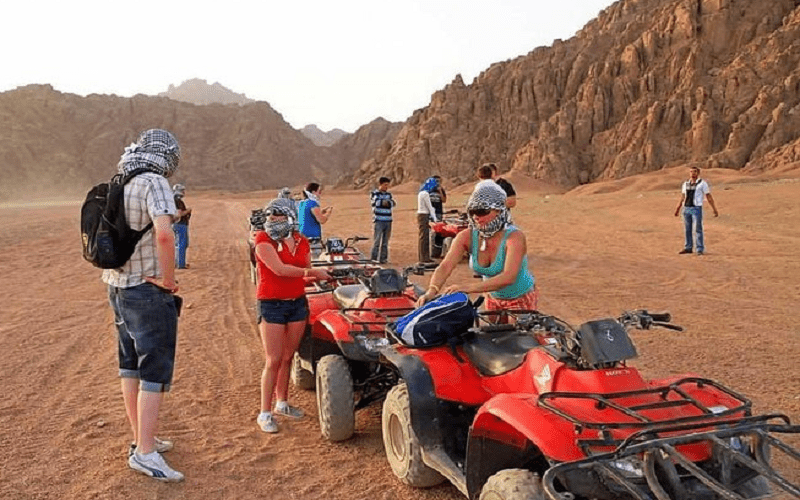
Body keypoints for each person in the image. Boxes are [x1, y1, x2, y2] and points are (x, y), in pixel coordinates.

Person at [103, 129, 184, 482]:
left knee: (129, 364)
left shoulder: (121, 178)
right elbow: (164, 234)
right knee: (153, 369)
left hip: (117, 286)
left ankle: (141, 440)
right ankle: (146, 454)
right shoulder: (154, 181)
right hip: (146, 290)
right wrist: (169, 281)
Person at [254, 198, 330, 433]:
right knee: (273, 358)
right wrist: (311, 272)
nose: (272, 221)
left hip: (297, 303)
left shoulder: (302, 240)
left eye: (277, 216)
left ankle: (282, 403)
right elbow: (279, 269)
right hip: (271, 304)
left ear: (289, 218)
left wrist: (323, 275)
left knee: (288, 356)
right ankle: (264, 412)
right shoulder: (262, 240)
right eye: (269, 216)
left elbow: (304, 275)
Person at [417, 183, 538, 317]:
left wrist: (466, 288)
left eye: (482, 211)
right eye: (472, 212)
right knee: (491, 336)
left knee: (516, 336)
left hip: (520, 297)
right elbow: (445, 266)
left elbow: (508, 277)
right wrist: (431, 291)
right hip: (492, 298)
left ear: (498, 210)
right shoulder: (466, 236)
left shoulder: (514, 237)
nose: (476, 217)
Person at [674, 166, 719, 255]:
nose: (692, 173)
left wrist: (714, 208)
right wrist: (678, 208)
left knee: (698, 229)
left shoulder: (702, 184)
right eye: (691, 172)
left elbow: (708, 196)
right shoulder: (686, 184)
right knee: (687, 229)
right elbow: (683, 196)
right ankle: (688, 247)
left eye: (694, 172)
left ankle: (699, 248)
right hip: (687, 208)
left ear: (698, 173)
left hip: (696, 208)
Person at [370, 177, 395, 264]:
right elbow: (377, 203)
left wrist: (386, 203)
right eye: (385, 185)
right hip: (379, 220)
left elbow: (392, 204)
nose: (386, 187)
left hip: (388, 220)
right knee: (377, 241)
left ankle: (383, 259)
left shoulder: (389, 194)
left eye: (388, 185)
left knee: (385, 241)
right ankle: (374, 258)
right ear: (380, 184)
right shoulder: (374, 193)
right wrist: (386, 203)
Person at [416, 177, 440, 266]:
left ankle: (424, 257)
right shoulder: (425, 194)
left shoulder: (421, 193)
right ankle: (424, 258)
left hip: (421, 215)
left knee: (423, 237)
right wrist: (435, 219)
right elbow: (430, 207)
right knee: (424, 237)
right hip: (423, 215)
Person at [172, 184, 192, 269]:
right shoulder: (177, 200)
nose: (184, 192)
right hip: (180, 224)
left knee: (179, 243)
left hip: (178, 224)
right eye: (182, 190)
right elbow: (179, 214)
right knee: (182, 244)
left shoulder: (173, 199)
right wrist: (188, 211)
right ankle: (181, 264)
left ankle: (178, 262)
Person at [429, 175, 447, 259]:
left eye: (439, 181)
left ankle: (438, 251)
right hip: (430, 213)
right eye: (436, 181)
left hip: (438, 213)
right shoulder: (428, 189)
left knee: (439, 232)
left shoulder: (441, 190)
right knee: (431, 233)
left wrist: (440, 191)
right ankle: (431, 251)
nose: (437, 183)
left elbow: (444, 200)